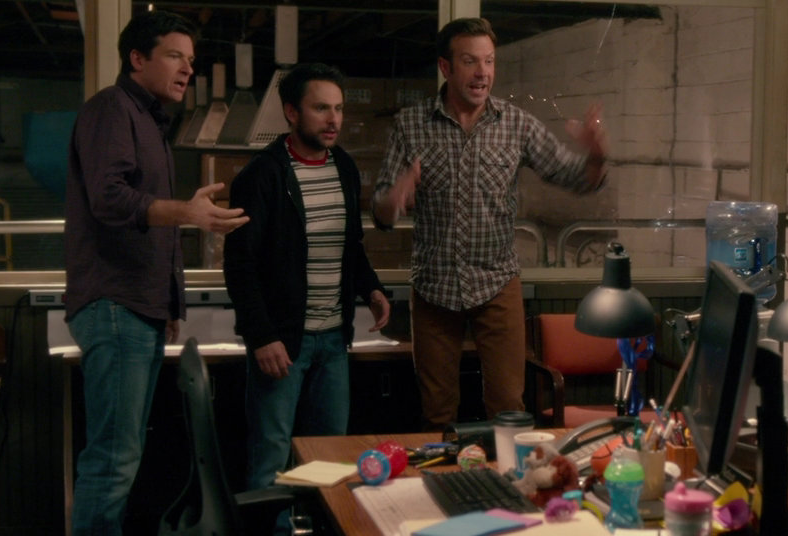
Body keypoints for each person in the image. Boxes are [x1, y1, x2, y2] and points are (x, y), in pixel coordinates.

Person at [372, 17, 609, 430]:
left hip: (497, 283)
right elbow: (382, 213)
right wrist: (396, 196)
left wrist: (596, 155)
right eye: (470, 61)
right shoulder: (410, 125)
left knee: (508, 407)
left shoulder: (516, 124)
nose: (482, 73)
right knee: (436, 411)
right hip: (434, 287)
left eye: (489, 61)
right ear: (446, 67)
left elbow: (577, 178)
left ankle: (504, 472)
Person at [64, 10, 248, 535]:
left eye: (191, 59)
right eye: (174, 56)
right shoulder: (111, 108)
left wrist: (168, 304)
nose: (188, 68)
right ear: (137, 58)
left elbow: (149, 226)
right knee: (113, 462)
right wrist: (187, 212)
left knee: (122, 457)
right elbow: (109, 198)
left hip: (137, 308)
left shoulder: (148, 120)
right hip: (115, 304)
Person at [223, 63, 390, 505]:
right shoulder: (262, 175)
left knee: (330, 458)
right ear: (292, 112)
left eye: (338, 109)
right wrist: (261, 336)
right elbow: (239, 265)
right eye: (321, 109)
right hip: (283, 342)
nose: (333, 119)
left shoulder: (344, 167)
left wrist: (372, 290)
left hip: (333, 340)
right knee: (271, 459)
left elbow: (351, 245)